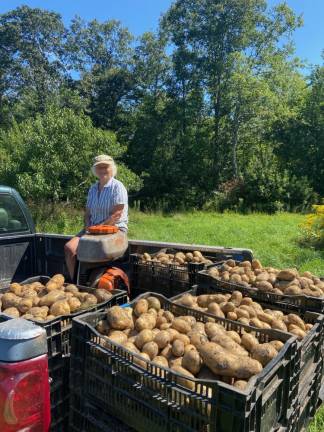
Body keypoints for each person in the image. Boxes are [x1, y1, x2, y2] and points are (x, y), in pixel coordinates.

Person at [64, 154, 128, 279]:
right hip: (92, 230)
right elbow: (87, 214)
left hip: (114, 229)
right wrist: (88, 227)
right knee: (69, 248)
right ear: (95, 170)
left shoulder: (117, 187)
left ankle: (95, 281)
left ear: (112, 168)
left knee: (94, 249)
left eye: (106, 167)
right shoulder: (92, 189)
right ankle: (75, 283)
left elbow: (117, 215)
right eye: (99, 167)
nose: (103, 170)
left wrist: (97, 229)